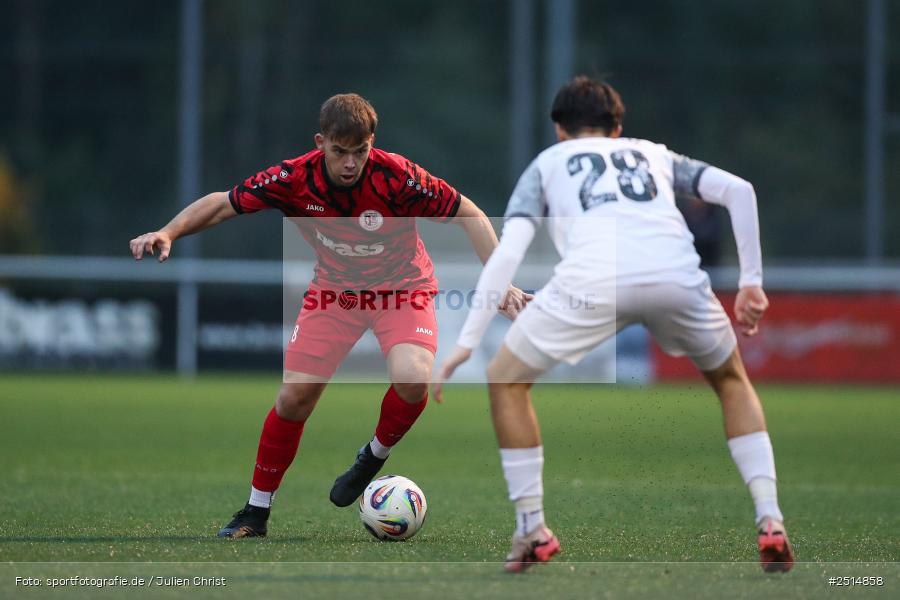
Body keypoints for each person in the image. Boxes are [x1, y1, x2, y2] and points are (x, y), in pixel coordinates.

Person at [435, 76, 794, 573]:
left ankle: (532, 528)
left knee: (506, 379)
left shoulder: (548, 163)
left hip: (593, 283)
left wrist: (468, 340)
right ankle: (770, 518)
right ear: (618, 128)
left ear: (560, 130)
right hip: (676, 278)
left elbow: (509, 250)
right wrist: (752, 281)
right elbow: (739, 190)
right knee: (731, 381)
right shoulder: (653, 155)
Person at [130, 93, 528, 538]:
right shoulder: (293, 178)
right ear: (320, 143)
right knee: (294, 398)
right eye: (340, 151)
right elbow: (223, 203)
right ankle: (255, 512)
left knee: (413, 378)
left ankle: (373, 456)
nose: (350, 163)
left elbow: (468, 213)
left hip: (402, 289)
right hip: (334, 295)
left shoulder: (397, 176)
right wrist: (169, 231)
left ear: (372, 143)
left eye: (361, 151)